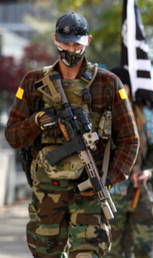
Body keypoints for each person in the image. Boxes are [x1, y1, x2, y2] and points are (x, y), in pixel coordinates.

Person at [4, 12, 139, 257]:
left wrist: (107, 181)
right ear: (55, 40)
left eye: (77, 44)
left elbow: (130, 140)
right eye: (65, 43)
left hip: (89, 192)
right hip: (47, 194)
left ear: (88, 40)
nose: (71, 50)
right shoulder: (34, 82)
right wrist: (37, 122)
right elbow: (14, 136)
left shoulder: (108, 84)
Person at [106, 67, 153, 258]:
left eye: (123, 86)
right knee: (111, 250)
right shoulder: (102, 116)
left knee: (143, 247)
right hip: (112, 193)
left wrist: (147, 172)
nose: (120, 92)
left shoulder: (144, 114)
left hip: (140, 190)